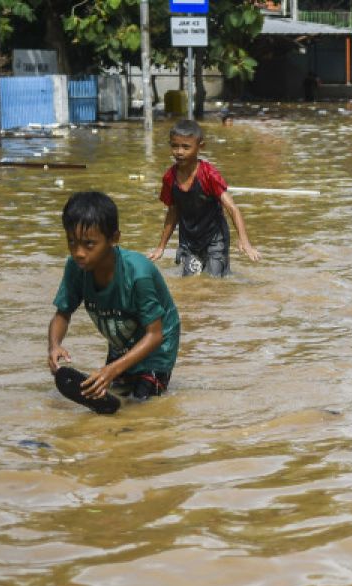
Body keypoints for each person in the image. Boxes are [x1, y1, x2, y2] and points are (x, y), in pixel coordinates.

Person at [48, 191, 181, 413]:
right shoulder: (76, 267)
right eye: (72, 242)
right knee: (112, 395)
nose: (79, 253)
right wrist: (54, 345)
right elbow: (62, 314)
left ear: (114, 238)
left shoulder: (138, 274)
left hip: (158, 346)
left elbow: (155, 334)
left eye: (89, 244)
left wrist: (111, 370)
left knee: (141, 405)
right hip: (121, 342)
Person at [148, 119, 260, 277]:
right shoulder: (169, 178)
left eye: (186, 147)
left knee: (214, 280)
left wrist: (244, 241)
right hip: (189, 240)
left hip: (215, 237)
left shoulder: (209, 175)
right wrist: (161, 247)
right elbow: (172, 212)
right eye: (175, 146)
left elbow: (232, 208)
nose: (179, 152)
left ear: (200, 147)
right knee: (190, 281)